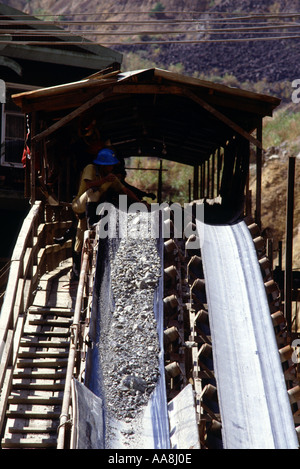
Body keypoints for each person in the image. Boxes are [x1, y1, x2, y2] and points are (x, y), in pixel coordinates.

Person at [70, 147, 143, 279]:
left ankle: (75, 271)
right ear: (104, 164)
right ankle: (92, 222)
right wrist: (104, 180)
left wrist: (140, 201)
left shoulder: (111, 178)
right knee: (93, 191)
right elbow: (88, 185)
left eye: (112, 166)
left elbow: (125, 190)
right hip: (79, 204)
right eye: (110, 166)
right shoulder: (91, 168)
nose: (111, 168)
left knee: (80, 239)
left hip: (90, 209)